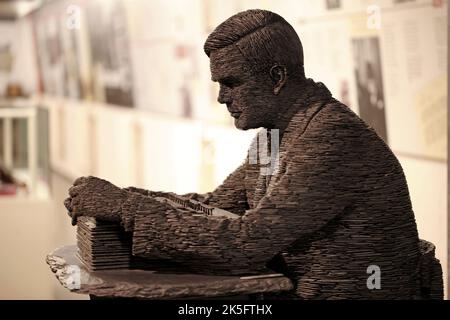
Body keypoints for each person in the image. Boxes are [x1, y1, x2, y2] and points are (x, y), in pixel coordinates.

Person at [64, 9, 441, 299]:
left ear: (277, 78)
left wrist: (125, 209)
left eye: (231, 83)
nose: (221, 97)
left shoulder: (330, 138)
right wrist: (123, 198)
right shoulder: (274, 138)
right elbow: (215, 207)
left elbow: (246, 242)